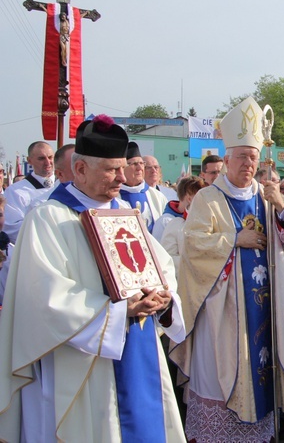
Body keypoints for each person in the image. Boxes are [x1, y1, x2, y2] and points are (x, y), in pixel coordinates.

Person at [0, 114, 186, 442]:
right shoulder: (48, 219)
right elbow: (45, 297)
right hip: (84, 364)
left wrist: (165, 299)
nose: (121, 177)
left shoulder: (126, 216)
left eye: (122, 167)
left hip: (139, 349)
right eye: (111, 169)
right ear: (81, 169)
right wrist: (117, 312)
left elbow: (161, 268)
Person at [170, 96, 284, 442]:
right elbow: (194, 245)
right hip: (221, 313)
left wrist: (280, 211)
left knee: (262, 366)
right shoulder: (207, 199)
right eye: (242, 156)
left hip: (263, 308)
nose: (248, 163)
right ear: (226, 158)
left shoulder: (268, 194)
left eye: (254, 157)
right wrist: (234, 238)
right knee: (220, 375)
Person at [3, 141, 55, 242]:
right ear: (29, 161)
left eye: (50, 157)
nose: (48, 162)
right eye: (41, 158)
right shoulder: (15, 191)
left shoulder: (65, 185)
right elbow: (12, 229)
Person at [154, 176, 207, 265]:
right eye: (201, 196)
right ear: (190, 199)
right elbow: (164, 258)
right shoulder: (168, 222)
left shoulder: (207, 221)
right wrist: (198, 262)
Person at [119, 143, 168, 233]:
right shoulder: (114, 197)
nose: (140, 168)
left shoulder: (157, 196)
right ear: (122, 168)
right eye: (134, 164)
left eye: (141, 163)